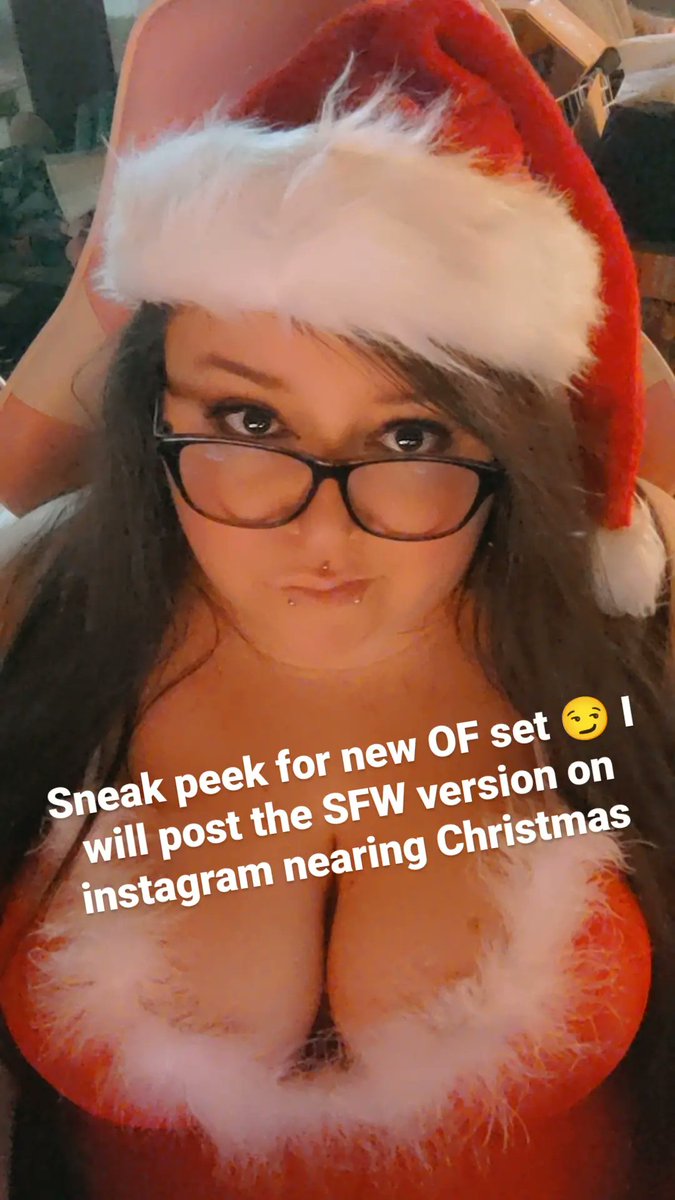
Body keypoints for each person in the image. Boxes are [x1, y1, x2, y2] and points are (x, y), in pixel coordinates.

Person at [0, 1, 674, 1198]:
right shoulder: (37, 607)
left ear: (508, 440)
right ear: (154, 408)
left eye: (413, 434)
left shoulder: (632, 622)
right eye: (248, 419)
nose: (324, 532)